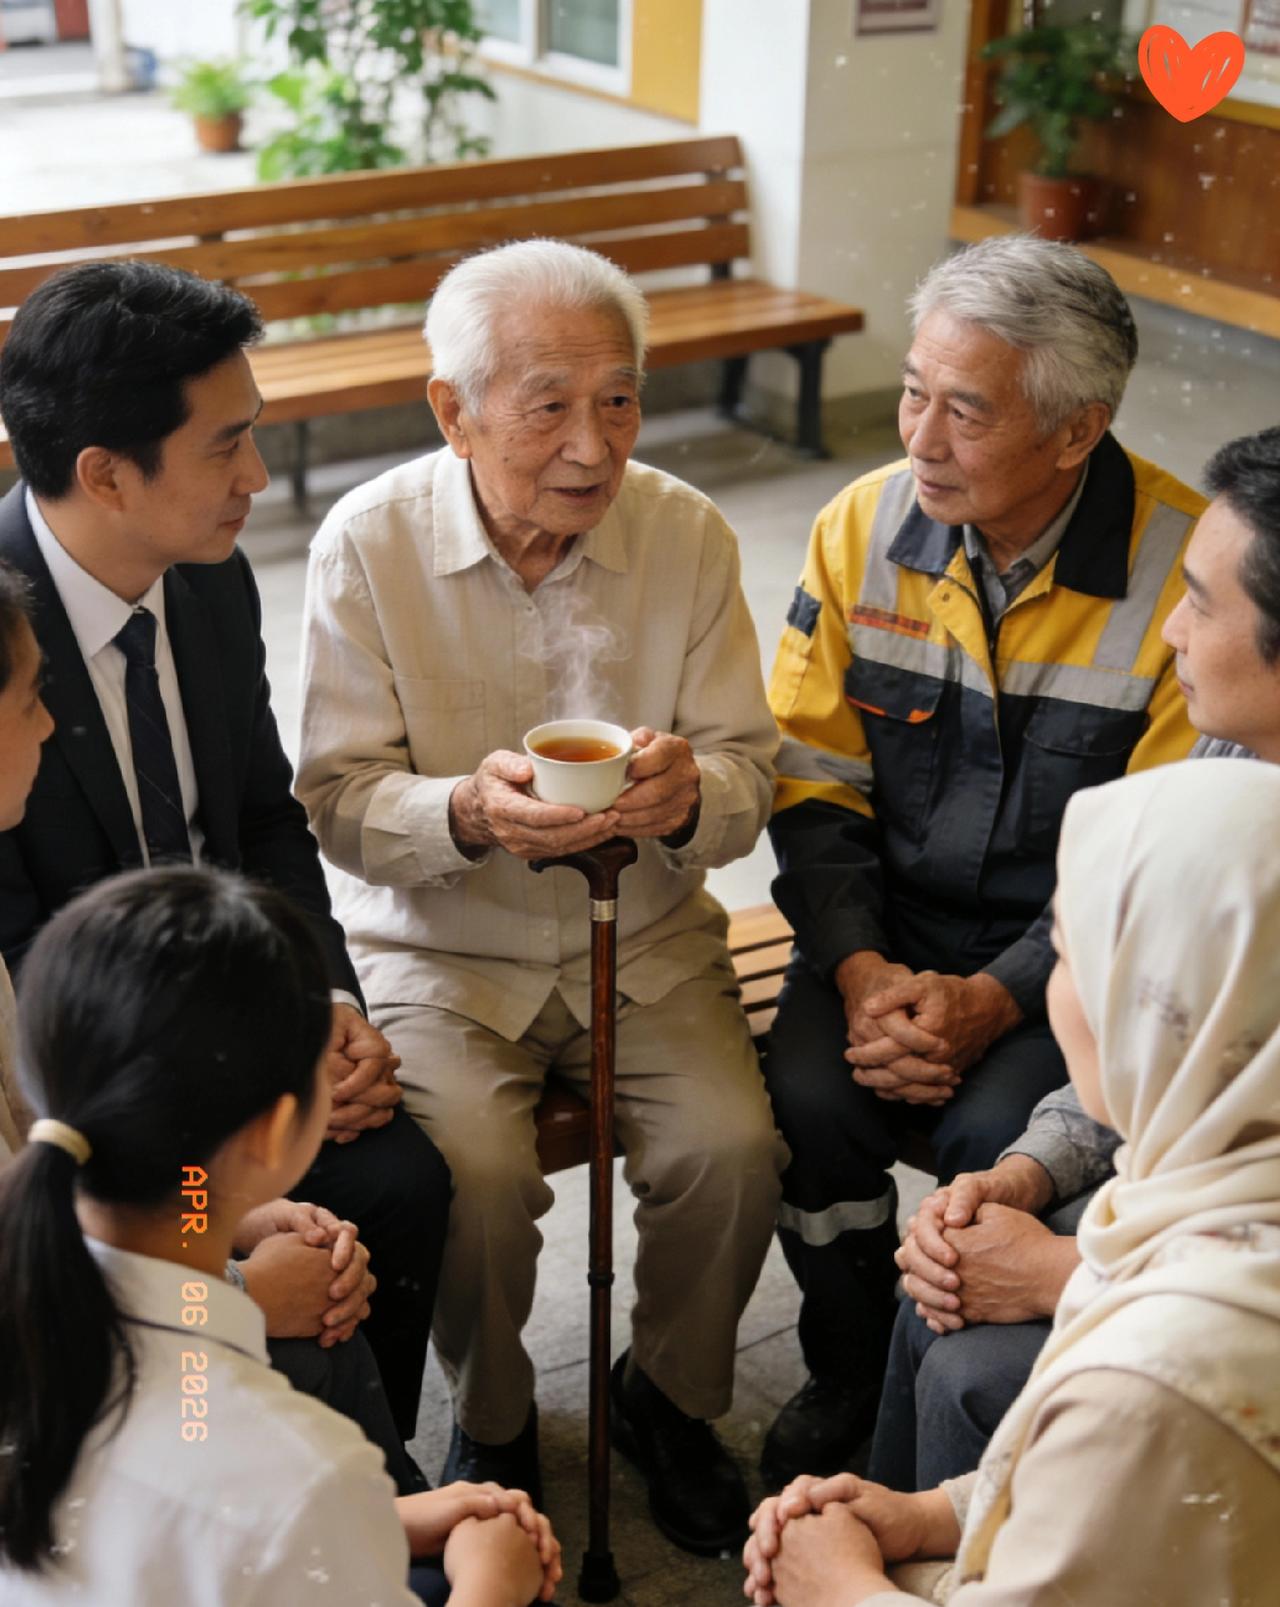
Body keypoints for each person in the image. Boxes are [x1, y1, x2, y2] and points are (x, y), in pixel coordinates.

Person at [296, 238, 787, 1553]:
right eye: (548, 402)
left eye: (617, 398)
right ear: (452, 410)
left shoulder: (683, 529)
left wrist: (688, 793)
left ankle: (669, 1397)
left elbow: (752, 766)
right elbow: (335, 796)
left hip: (650, 938)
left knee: (730, 1149)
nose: (593, 443)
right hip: (441, 949)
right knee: (475, 1174)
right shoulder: (369, 544)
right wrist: (464, 810)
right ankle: (498, 1414)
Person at [760, 234, 1203, 1483]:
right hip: (877, 939)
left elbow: (1150, 864)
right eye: (911, 389)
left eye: (964, 409)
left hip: (1066, 966)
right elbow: (811, 776)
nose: (918, 435)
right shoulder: (860, 525)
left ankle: (937, 1423)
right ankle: (847, 1362)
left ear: (1075, 432)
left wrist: (992, 998)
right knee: (804, 1104)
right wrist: (857, 972)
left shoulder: (1183, 573)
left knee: (997, 1139)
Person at [0, 260, 450, 1441]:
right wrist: (226, 1100)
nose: (256, 478)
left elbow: (258, 820)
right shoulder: (1, 649)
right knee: (268, 1247)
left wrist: (326, 1001)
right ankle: (216, 1458)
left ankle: (368, 1479)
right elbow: (24, 951)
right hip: (110, 1098)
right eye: (226, 445)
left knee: (399, 1184)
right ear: (104, 472)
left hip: (234, 1030)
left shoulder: (207, 582)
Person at [745, 759, 1280, 1606]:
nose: (1059, 997)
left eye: (1066, 958)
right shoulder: (1225, 1170)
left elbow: (1126, 1451)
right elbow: (1106, 1500)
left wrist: (839, 1585)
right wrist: (929, 1514)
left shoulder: (1152, 1376)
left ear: (1162, 1009)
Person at [873, 421, 1280, 1491]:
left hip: (1227, 1304)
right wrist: (1022, 1173)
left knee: (972, 1364)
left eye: (1199, 601)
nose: (1169, 636)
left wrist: (1065, 1269)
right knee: (945, 1285)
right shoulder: (1232, 750)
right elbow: (1172, 1060)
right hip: (1188, 1216)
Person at [0, 867, 560, 1606]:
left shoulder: (37, 1305)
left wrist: (380, 1516)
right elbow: (247, 1507)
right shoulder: (297, 1467)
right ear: (275, 1132)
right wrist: (497, 1578)